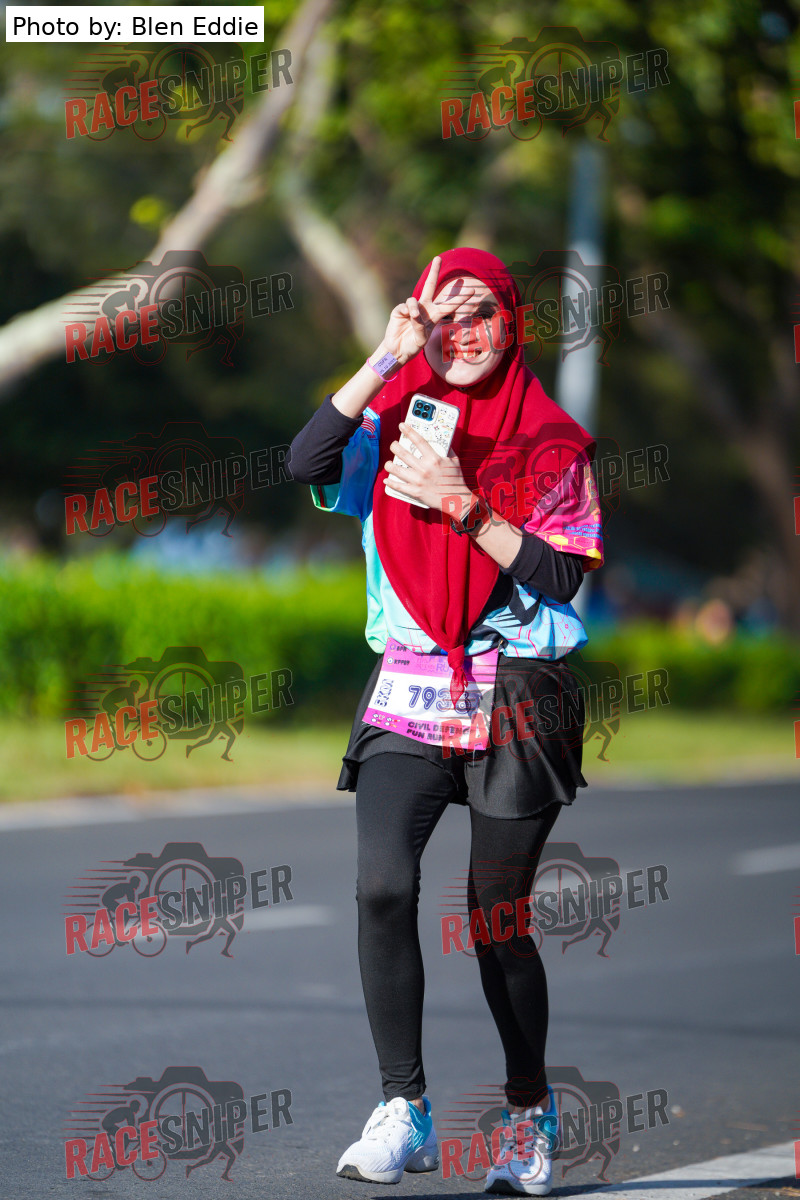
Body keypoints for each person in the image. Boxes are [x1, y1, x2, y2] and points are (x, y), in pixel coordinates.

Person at [288, 248, 603, 1195]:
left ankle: (527, 1115)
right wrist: (386, 355)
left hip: (520, 691)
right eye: (442, 315)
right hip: (412, 684)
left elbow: (560, 574)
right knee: (383, 887)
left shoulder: (552, 440)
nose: (462, 333)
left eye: (480, 313)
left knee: (496, 920)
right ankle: (404, 1109)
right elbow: (305, 460)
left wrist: (462, 503)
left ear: (512, 321)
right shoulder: (392, 420)